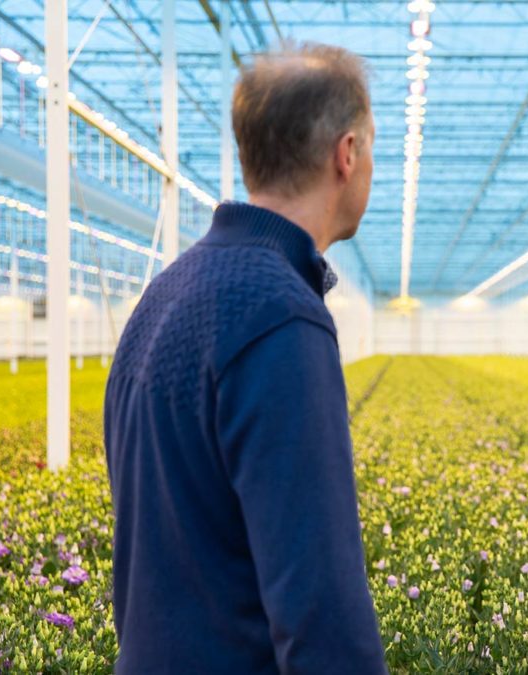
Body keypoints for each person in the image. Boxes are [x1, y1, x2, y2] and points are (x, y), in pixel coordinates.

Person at [104, 44, 386, 673]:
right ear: (347, 154)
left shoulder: (163, 294)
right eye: (371, 148)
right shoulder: (281, 319)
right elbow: (321, 611)